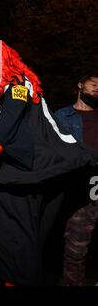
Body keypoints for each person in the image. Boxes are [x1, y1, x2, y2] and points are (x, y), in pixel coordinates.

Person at [0, 17, 98, 286]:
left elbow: (11, 111)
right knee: (21, 251)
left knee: (17, 254)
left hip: (21, 175)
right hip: (35, 172)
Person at [55, 74, 98, 286]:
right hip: (76, 187)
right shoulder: (62, 116)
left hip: (96, 185)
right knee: (75, 246)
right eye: (94, 84)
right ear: (80, 85)